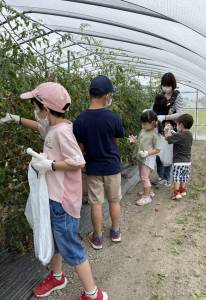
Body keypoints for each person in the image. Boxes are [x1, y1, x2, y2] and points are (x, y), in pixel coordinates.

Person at [1, 82, 107, 300]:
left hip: (63, 202)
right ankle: (57, 276)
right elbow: (39, 127)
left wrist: (50, 165)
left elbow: (78, 161)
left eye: (35, 106)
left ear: (45, 109)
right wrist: (16, 119)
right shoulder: (54, 127)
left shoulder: (62, 133)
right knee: (57, 240)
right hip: (54, 198)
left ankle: (93, 293)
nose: (35, 111)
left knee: (70, 247)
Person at [73, 75, 124, 250]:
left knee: (96, 203)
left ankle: (98, 237)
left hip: (93, 168)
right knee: (114, 200)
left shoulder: (80, 119)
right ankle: (116, 232)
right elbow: (115, 141)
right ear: (107, 95)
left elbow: (80, 147)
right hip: (112, 166)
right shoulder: (113, 117)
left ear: (90, 94)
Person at [129, 109, 160, 206]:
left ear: (152, 123)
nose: (142, 125)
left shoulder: (155, 134)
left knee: (144, 176)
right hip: (141, 157)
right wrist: (135, 140)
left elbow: (157, 149)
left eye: (144, 123)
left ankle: (147, 197)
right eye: (142, 123)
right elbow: (141, 141)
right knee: (143, 176)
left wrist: (147, 152)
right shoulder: (143, 130)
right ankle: (149, 191)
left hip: (148, 159)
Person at [165, 113, 193, 200]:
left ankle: (176, 192)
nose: (176, 125)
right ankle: (183, 190)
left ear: (181, 124)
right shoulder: (190, 135)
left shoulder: (179, 135)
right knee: (183, 176)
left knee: (176, 177)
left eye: (177, 124)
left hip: (178, 161)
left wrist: (167, 130)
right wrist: (174, 132)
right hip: (187, 162)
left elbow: (168, 139)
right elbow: (179, 136)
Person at [153, 94, 174, 186]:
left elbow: (171, 125)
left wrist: (166, 129)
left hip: (167, 138)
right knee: (160, 158)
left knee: (166, 158)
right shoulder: (155, 111)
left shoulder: (169, 112)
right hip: (161, 138)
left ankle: (166, 178)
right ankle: (162, 177)